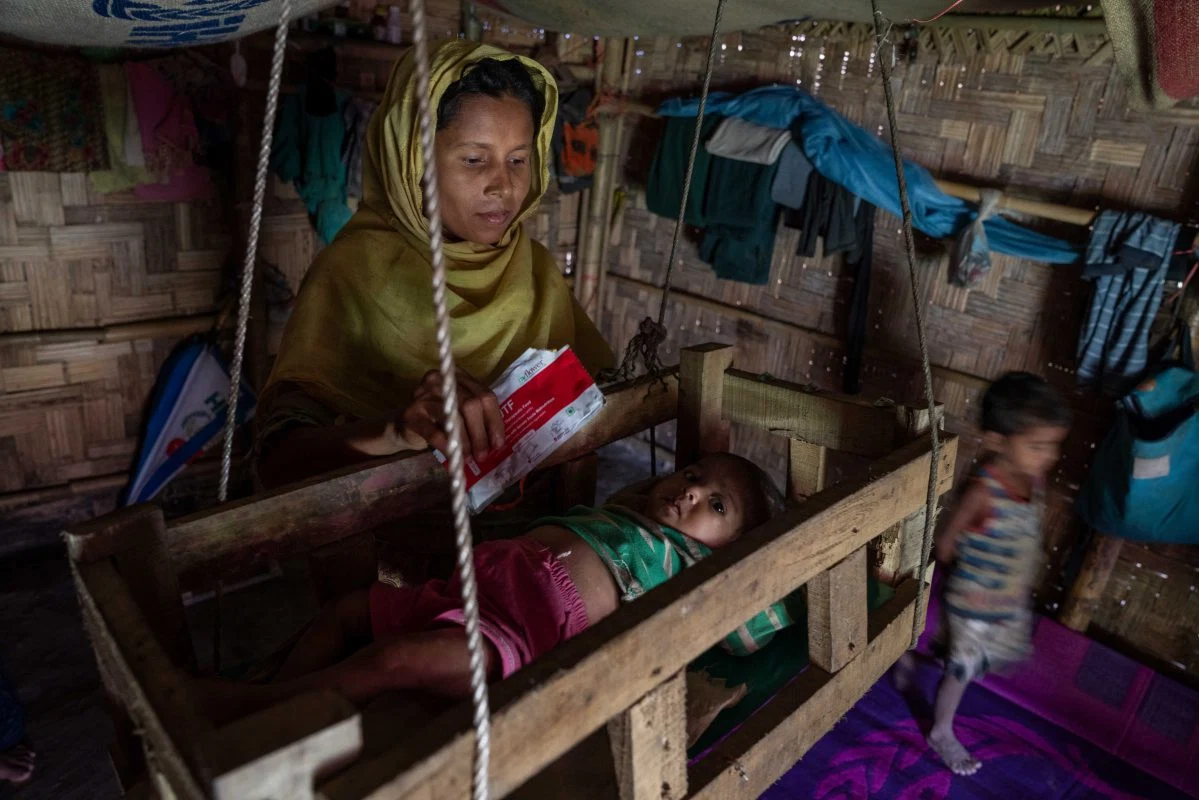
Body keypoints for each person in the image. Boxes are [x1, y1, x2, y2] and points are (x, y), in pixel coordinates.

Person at [256, 41, 613, 489]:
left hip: (532, 544)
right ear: (414, 160)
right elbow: (279, 462)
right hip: (391, 549)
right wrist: (396, 431)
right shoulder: (349, 274)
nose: (503, 185)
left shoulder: (536, 272)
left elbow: (592, 400)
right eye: (474, 159)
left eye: (518, 160)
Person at [207, 454, 791, 717]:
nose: (690, 492)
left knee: (397, 660)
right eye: (693, 475)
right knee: (345, 611)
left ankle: (256, 706)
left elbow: (750, 627)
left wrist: (779, 552)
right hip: (464, 591)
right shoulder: (627, 511)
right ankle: (275, 704)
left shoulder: (696, 571)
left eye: (716, 504)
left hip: (517, 637)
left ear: (733, 546)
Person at [913, 372, 1070, 776]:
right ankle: (941, 731)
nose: (1047, 456)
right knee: (962, 669)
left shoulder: (1033, 480)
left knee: (975, 660)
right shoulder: (985, 491)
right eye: (1037, 446)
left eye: (1052, 446)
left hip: (1003, 599)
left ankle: (935, 661)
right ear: (998, 440)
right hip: (974, 600)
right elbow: (946, 544)